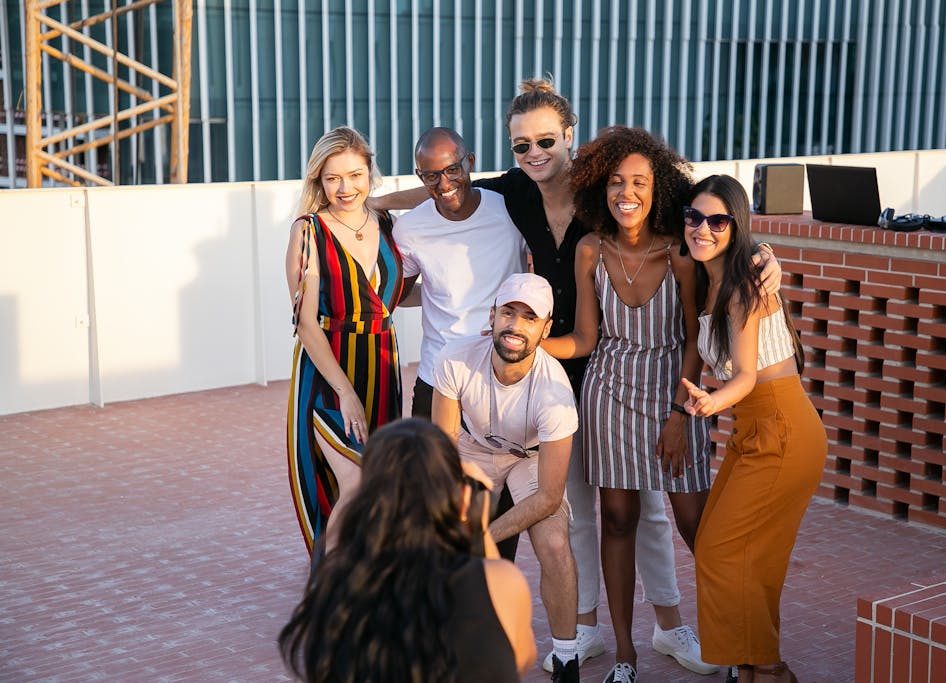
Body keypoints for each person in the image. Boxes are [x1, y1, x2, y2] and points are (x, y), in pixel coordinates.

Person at [486, 79, 732, 677]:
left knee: (666, 517)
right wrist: (519, 345)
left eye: (546, 140)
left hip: (656, 388)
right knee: (587, 513)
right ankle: (597, 635)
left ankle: (678, 628)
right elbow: (452, 187)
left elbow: (718, 228)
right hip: (587, 385)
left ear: (569, 139)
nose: (534, 152)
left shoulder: (668, 240)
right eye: (522, 144)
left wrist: (762, 256)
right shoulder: (523, 195)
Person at [542, 126, 717, 683]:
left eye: (639, 181)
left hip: (674, 396)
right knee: (617, 520)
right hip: (609, 394)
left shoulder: (681, 253)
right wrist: (528, 344)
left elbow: (695, 340)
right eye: (617, 181)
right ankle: (625, 654)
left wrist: (679, 414)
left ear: (657, 187)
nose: (627, 192)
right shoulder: (590, 250)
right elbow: (585, 339)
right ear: (601, 186)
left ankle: (731, 637)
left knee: (697, 527)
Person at [680, 174, 827, 683]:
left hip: (782, 429)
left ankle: (768, 669)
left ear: (735, 225)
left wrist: (710, 403)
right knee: (739, 553)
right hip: (756, 429)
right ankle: (751, 668)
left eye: (717, 221)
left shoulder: (745, 284)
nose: (702, 228)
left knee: (722, 550)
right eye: (694, 216)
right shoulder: (710, 277)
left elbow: (744, 376)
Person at [278, 418, 536, 682]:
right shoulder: (501, 582)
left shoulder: (337, 591)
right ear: (461, 500)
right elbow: (520, 659)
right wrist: (477, 526)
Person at [432, 273, 581, 682]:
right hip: (472, 449)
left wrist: (482, 537)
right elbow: (442, 455)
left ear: (545, 330)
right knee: (438, 531)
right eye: (509, 312)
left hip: (528, 458)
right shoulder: (456, 357)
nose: (516, 325)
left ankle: (566, 660)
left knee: (554, 543)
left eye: (530, 318)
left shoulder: (555, 392)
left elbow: (549, 497)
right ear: (492, 315)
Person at [285, 126, 404, 564]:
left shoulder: (388, 224)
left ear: (370, 172)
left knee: (378, 484)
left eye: (355, 175)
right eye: (332, 178)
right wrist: (346, 393)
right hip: (329, 373)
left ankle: (368, 580)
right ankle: (329, 586)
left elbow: (388, 297)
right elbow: (306, 324)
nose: (345, 188)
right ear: (318, 180)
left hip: (383, 367)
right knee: (351, 483)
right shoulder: (309, 230)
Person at [392, 127, 529, 420]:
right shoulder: (409, 228)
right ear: (420, 177)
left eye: (452, 169)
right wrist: (440, 292)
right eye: (431, 175)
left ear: (470, 162)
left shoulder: (510, 211)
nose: (444, 183)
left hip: (503, 373)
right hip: (437, 376)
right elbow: (398, 295)